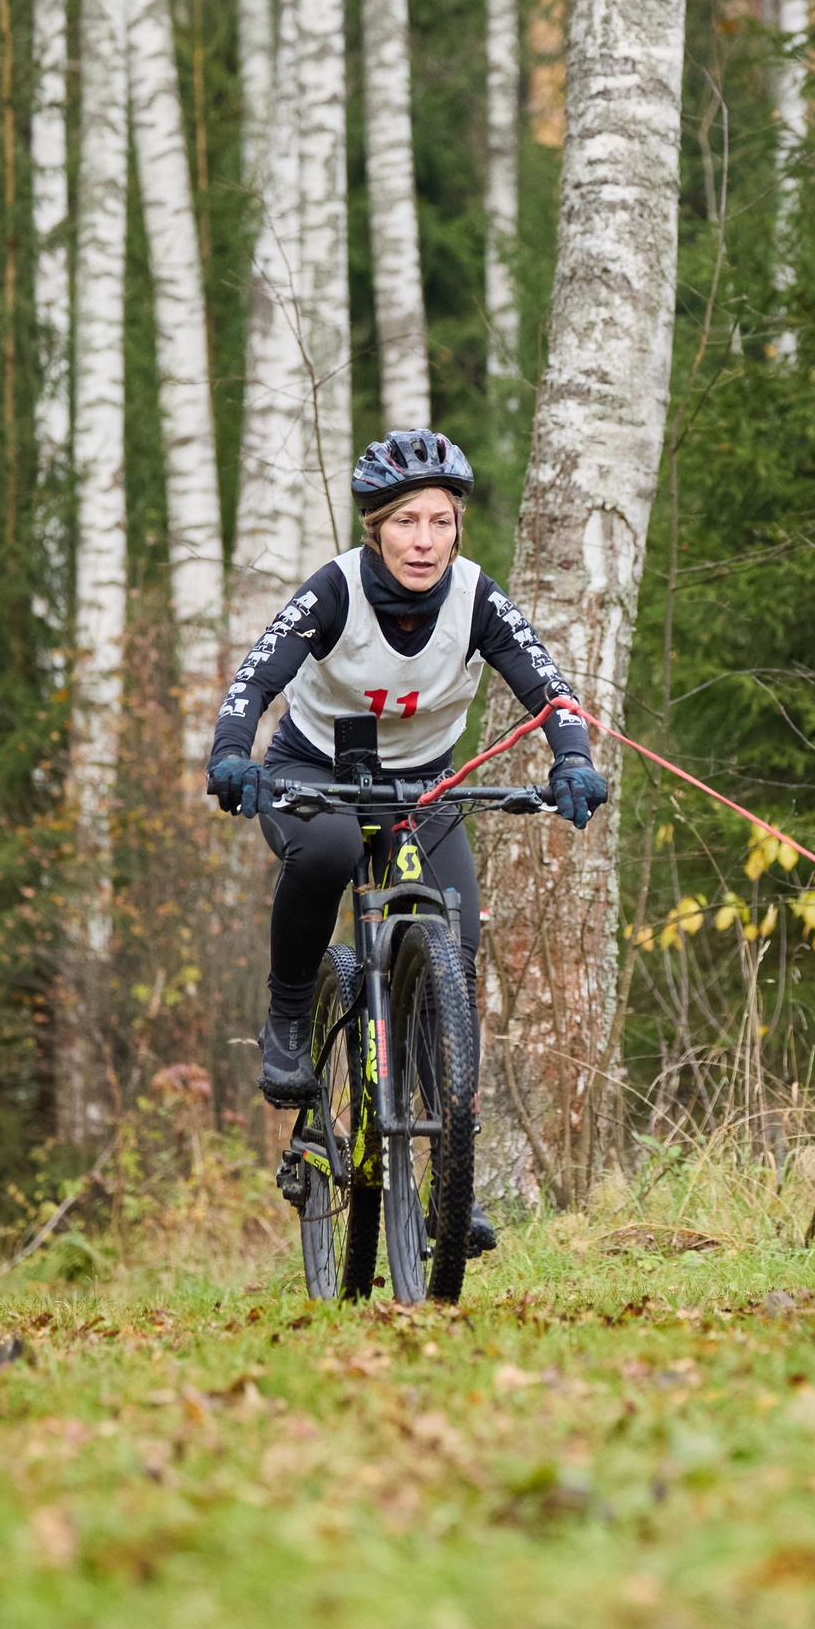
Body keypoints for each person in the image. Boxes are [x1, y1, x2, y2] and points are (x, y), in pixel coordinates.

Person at [205, 429, 608, 1123]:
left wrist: (573, 756)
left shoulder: (477, 597)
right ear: (375, 529)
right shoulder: (334, 589)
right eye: (405, 521)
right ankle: (292, 1018)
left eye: (440, 522)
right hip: (315, 772)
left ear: (456, 530)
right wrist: (231, 754)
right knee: (328, 851)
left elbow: (552, 689)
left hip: (425, 788)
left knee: (451, 940)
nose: (423, 540)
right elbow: (254, 678)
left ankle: (451, 1169)